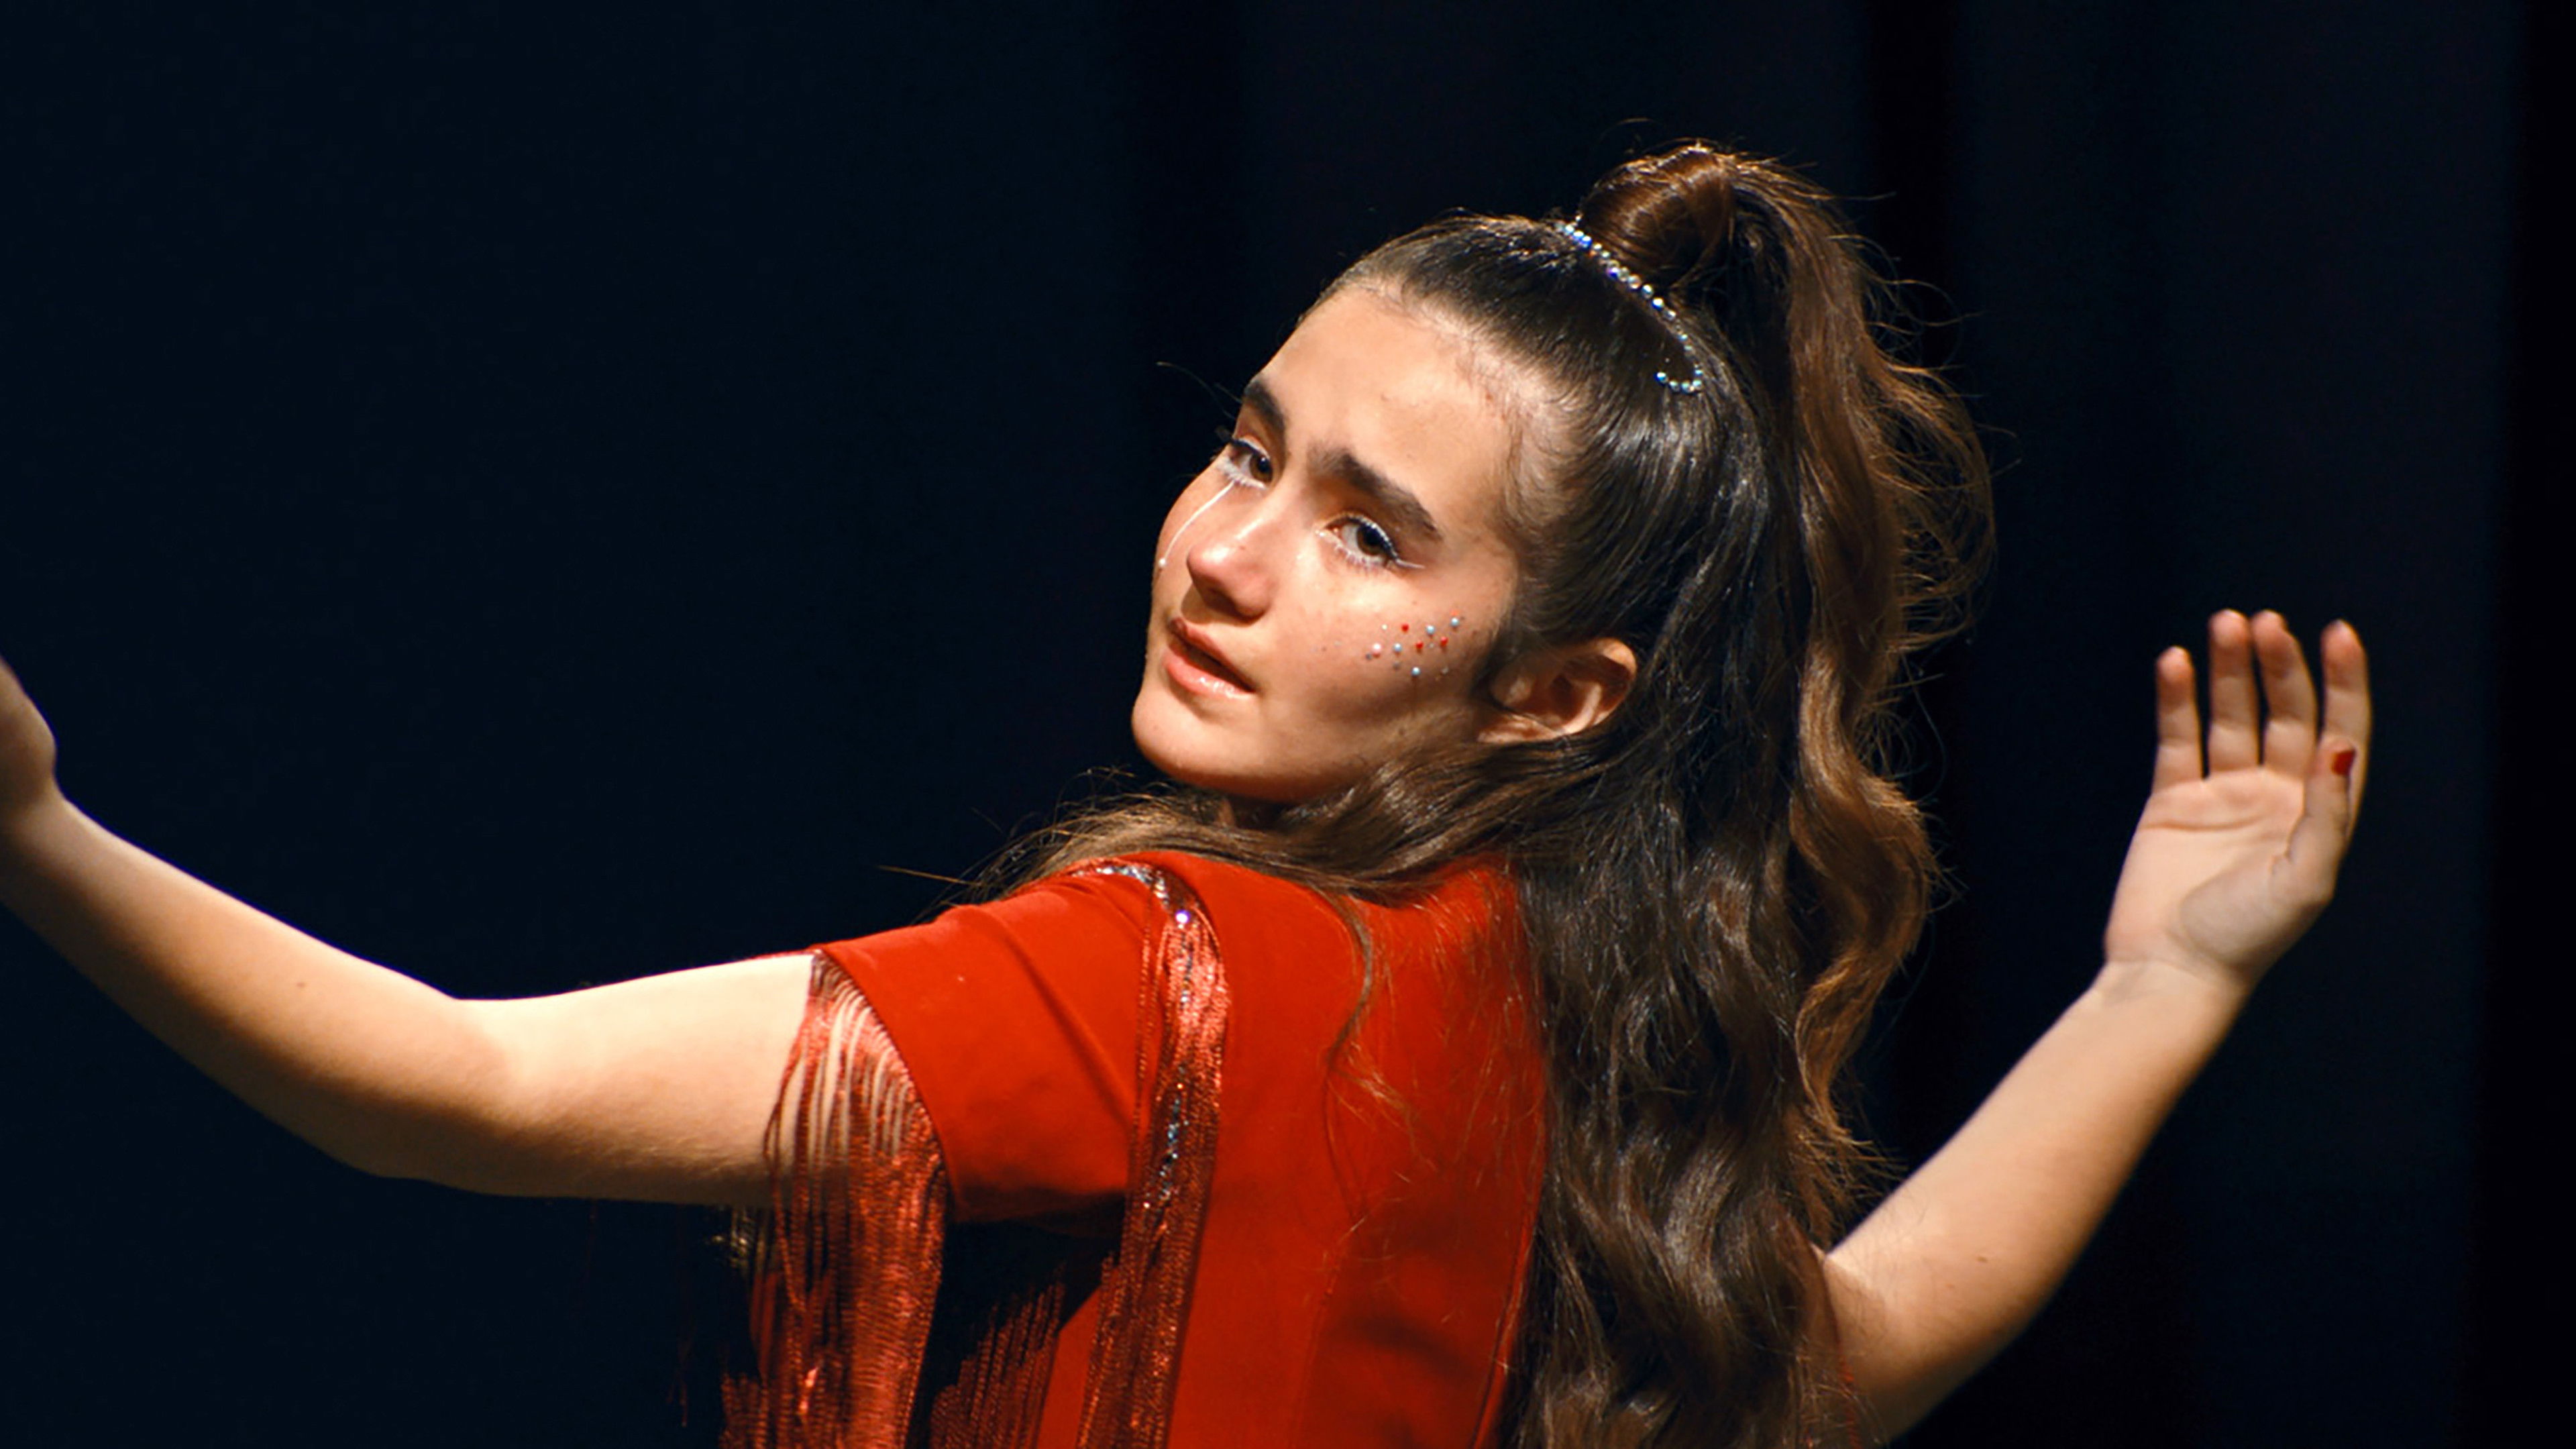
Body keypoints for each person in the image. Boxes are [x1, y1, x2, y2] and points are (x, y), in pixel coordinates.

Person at [0, 142, 2370, 1448]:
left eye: (1371, 535)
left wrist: (38, 840)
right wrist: (2165, 985)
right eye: (1250, 449)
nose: (1225, 557)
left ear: (1557, 696)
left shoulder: (1174, 985)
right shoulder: (1540, 1013)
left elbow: (455, 1086)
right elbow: (1837, 1363)